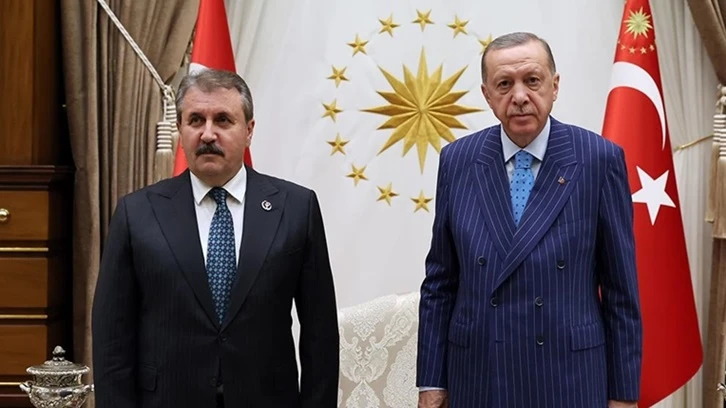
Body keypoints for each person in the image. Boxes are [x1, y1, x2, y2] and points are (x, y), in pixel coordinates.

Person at [416, 32, 642, 408]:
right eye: (504, 84)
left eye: (532, 80)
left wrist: (623, 395)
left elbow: (621, 293)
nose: (519, 96)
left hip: (569, 379)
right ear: (487, 95)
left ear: (555, 86)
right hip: (479, 376)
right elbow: (440, 284)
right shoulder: (457, 160)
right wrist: (430, 381)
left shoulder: (598, 160)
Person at [92, 68, 339, 408]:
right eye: (196, 120)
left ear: (249, 130)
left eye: (223, 120)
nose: (208, 134)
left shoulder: (296, 208)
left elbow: (320, 336)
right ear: (180, 129)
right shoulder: (137, 214)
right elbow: (112, 339)